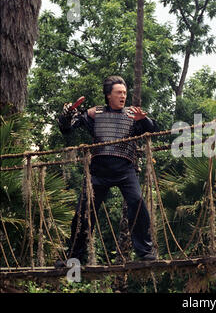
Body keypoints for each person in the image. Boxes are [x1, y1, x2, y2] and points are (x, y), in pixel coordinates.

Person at [55, 76, 159, 267]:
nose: (123, 96)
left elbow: (153, 130)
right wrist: (67, 115)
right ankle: (74, 259)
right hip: (99, 172)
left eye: (125, 93)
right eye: (119, 93)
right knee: (83, 213)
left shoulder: (133, 115)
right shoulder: (95, 113)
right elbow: (67, 129)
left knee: (137, 202)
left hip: (126, 170)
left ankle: (145, 252)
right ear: (108, 95)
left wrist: (144, 120)